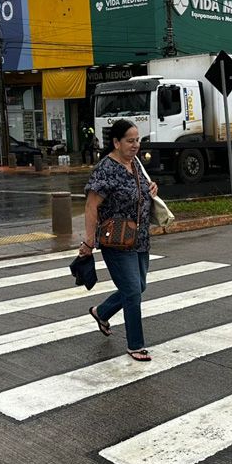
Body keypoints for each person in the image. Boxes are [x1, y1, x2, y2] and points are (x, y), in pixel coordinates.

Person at [80, 119, 158, 362]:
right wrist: (88, 241)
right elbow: (91, 206)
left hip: (140, 238)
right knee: (132, 291)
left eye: (138, 140)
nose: (135, 145)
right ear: (116, 142)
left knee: (138, 286)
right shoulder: (105, 169)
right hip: (116, 240)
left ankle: (101, 312)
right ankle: (136, 345)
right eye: (130, 141)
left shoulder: (135, 164)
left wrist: (151, 188)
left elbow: (141, 190)